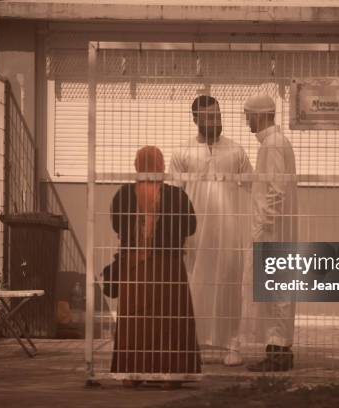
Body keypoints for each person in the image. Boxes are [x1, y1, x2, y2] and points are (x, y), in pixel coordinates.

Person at [107, 146, 201, 388]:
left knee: (136, 320)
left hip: (134, 266)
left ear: (137, 166)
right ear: (161, 167)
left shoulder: (124, 194)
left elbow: (117, 224)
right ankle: (170, 373)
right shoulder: (176, 196)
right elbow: (190, 226)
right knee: (168, 319)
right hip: (168, 266)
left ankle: (132, 373)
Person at [169, 95, 252, 366]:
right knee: (194, 288)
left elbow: (253, 187)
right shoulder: (182, 152)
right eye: (208, 116)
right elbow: (173, 196)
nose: (215, 120)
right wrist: (176, 235)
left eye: (218, 115)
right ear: (195, 119)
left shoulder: (236, 151)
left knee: (230, 288)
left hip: (229, 234)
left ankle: (233, 345)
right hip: (194, 236)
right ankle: (192, 344)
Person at [242, 94, 298, 372]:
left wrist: (265, 225)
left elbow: (275, 189)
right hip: (275, 229)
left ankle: (277, 351)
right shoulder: (274, 143)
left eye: (249, 115)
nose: (247, 121)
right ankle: (279, 349)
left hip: (273, 231)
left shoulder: (272, 145)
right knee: (279, 291)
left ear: (260, 115)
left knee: (276, 292)